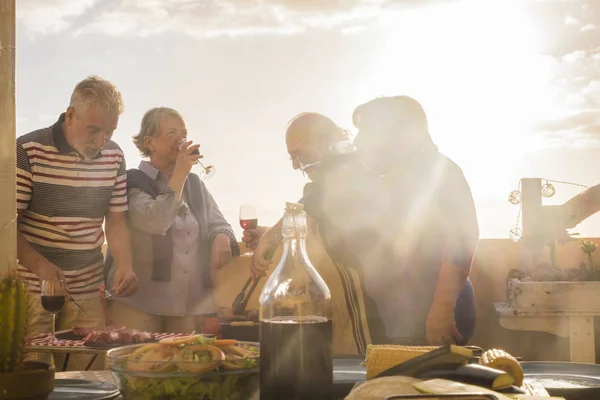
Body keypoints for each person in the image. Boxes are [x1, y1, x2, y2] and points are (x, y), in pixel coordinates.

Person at [16, 76, 137, 370]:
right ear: (70, 115)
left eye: (109, 132)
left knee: (92, 379)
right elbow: (7, 225)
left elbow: (116, 222)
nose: (100, 141)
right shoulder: (27, 150)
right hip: (35, 293)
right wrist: (40, 266)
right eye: (93, 130)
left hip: (88, 290)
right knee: (34, 378)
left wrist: (125, 265)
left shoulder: (114, 155)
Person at [349, 95, 479, 346]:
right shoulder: (384, 178)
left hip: (429, 317)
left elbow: (461, 244)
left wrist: (442, 310)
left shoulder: (440, 172)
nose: (357, 141)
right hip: (398, 317)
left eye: (367, 131)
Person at [245, 112, 376, 354]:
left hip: (379, 307)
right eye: (291, 158)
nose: (295, 165)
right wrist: (269, 232)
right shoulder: (337, 171)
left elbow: (314, 204)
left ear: (320, 141)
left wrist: (269, 238)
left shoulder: (349, 168)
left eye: (297, 154)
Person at [105, 107, 240, 334]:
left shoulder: (194, 183)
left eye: (183, 133)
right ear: (150, 142)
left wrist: (222, 237)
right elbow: (157, 221)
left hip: (187, 306)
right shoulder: (132, 182)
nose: (181, 140)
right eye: (171, 133)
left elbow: (219, 222)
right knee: (140, 366)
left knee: (185, 366)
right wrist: (180, 173)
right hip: (140, 306)